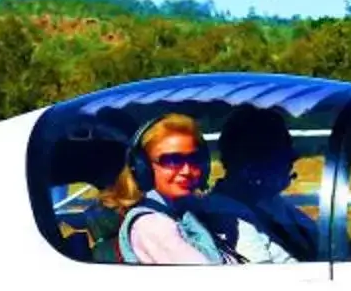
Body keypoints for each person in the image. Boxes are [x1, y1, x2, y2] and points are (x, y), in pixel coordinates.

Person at [102, 113, 298, 265]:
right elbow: (206, 284)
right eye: (172, 160)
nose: (187, 170)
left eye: (193, 159)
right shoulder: (152, 226)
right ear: (143, 167)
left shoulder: (188, 214)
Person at [204, 106, 323, 262]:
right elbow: (262, 278)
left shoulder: (271, 201)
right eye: (281, 156)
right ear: (251, 165)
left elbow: (323, 243)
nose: (292, 161)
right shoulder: (226, 214)